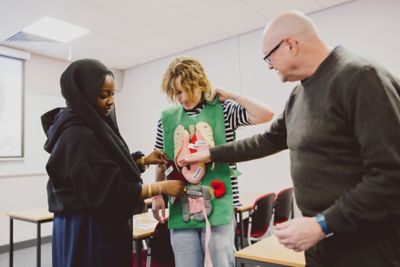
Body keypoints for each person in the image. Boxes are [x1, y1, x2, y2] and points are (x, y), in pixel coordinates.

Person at [181, 10, 400, 267]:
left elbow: (391, 175)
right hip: (322, 246)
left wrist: (323, 224)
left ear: (290, 44)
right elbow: (267, 140)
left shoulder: (360, 77)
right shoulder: (299, 95)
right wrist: (211, 154)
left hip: (367, 248)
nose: (269, 65)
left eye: (268, 56)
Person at [41, 58, 184, 267]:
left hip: (95, 224)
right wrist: (160, 187)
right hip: (88, 231)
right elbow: (107, 191)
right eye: (102, 95)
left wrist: (143, 161)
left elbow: (102, 171)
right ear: (84, 96)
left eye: (112, 93)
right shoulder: (78, 135)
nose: (111, 101)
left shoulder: (92, 125)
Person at [151, 56, 274, 267]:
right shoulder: (167, 118)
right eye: (177, 92)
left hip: (220, 206)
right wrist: (157, 194)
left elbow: (266, 114)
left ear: (199, 83)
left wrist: (233, 95)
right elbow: (161, 160)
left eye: (186, 89)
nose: (182, 97)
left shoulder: (223, 111)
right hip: (181, 208)